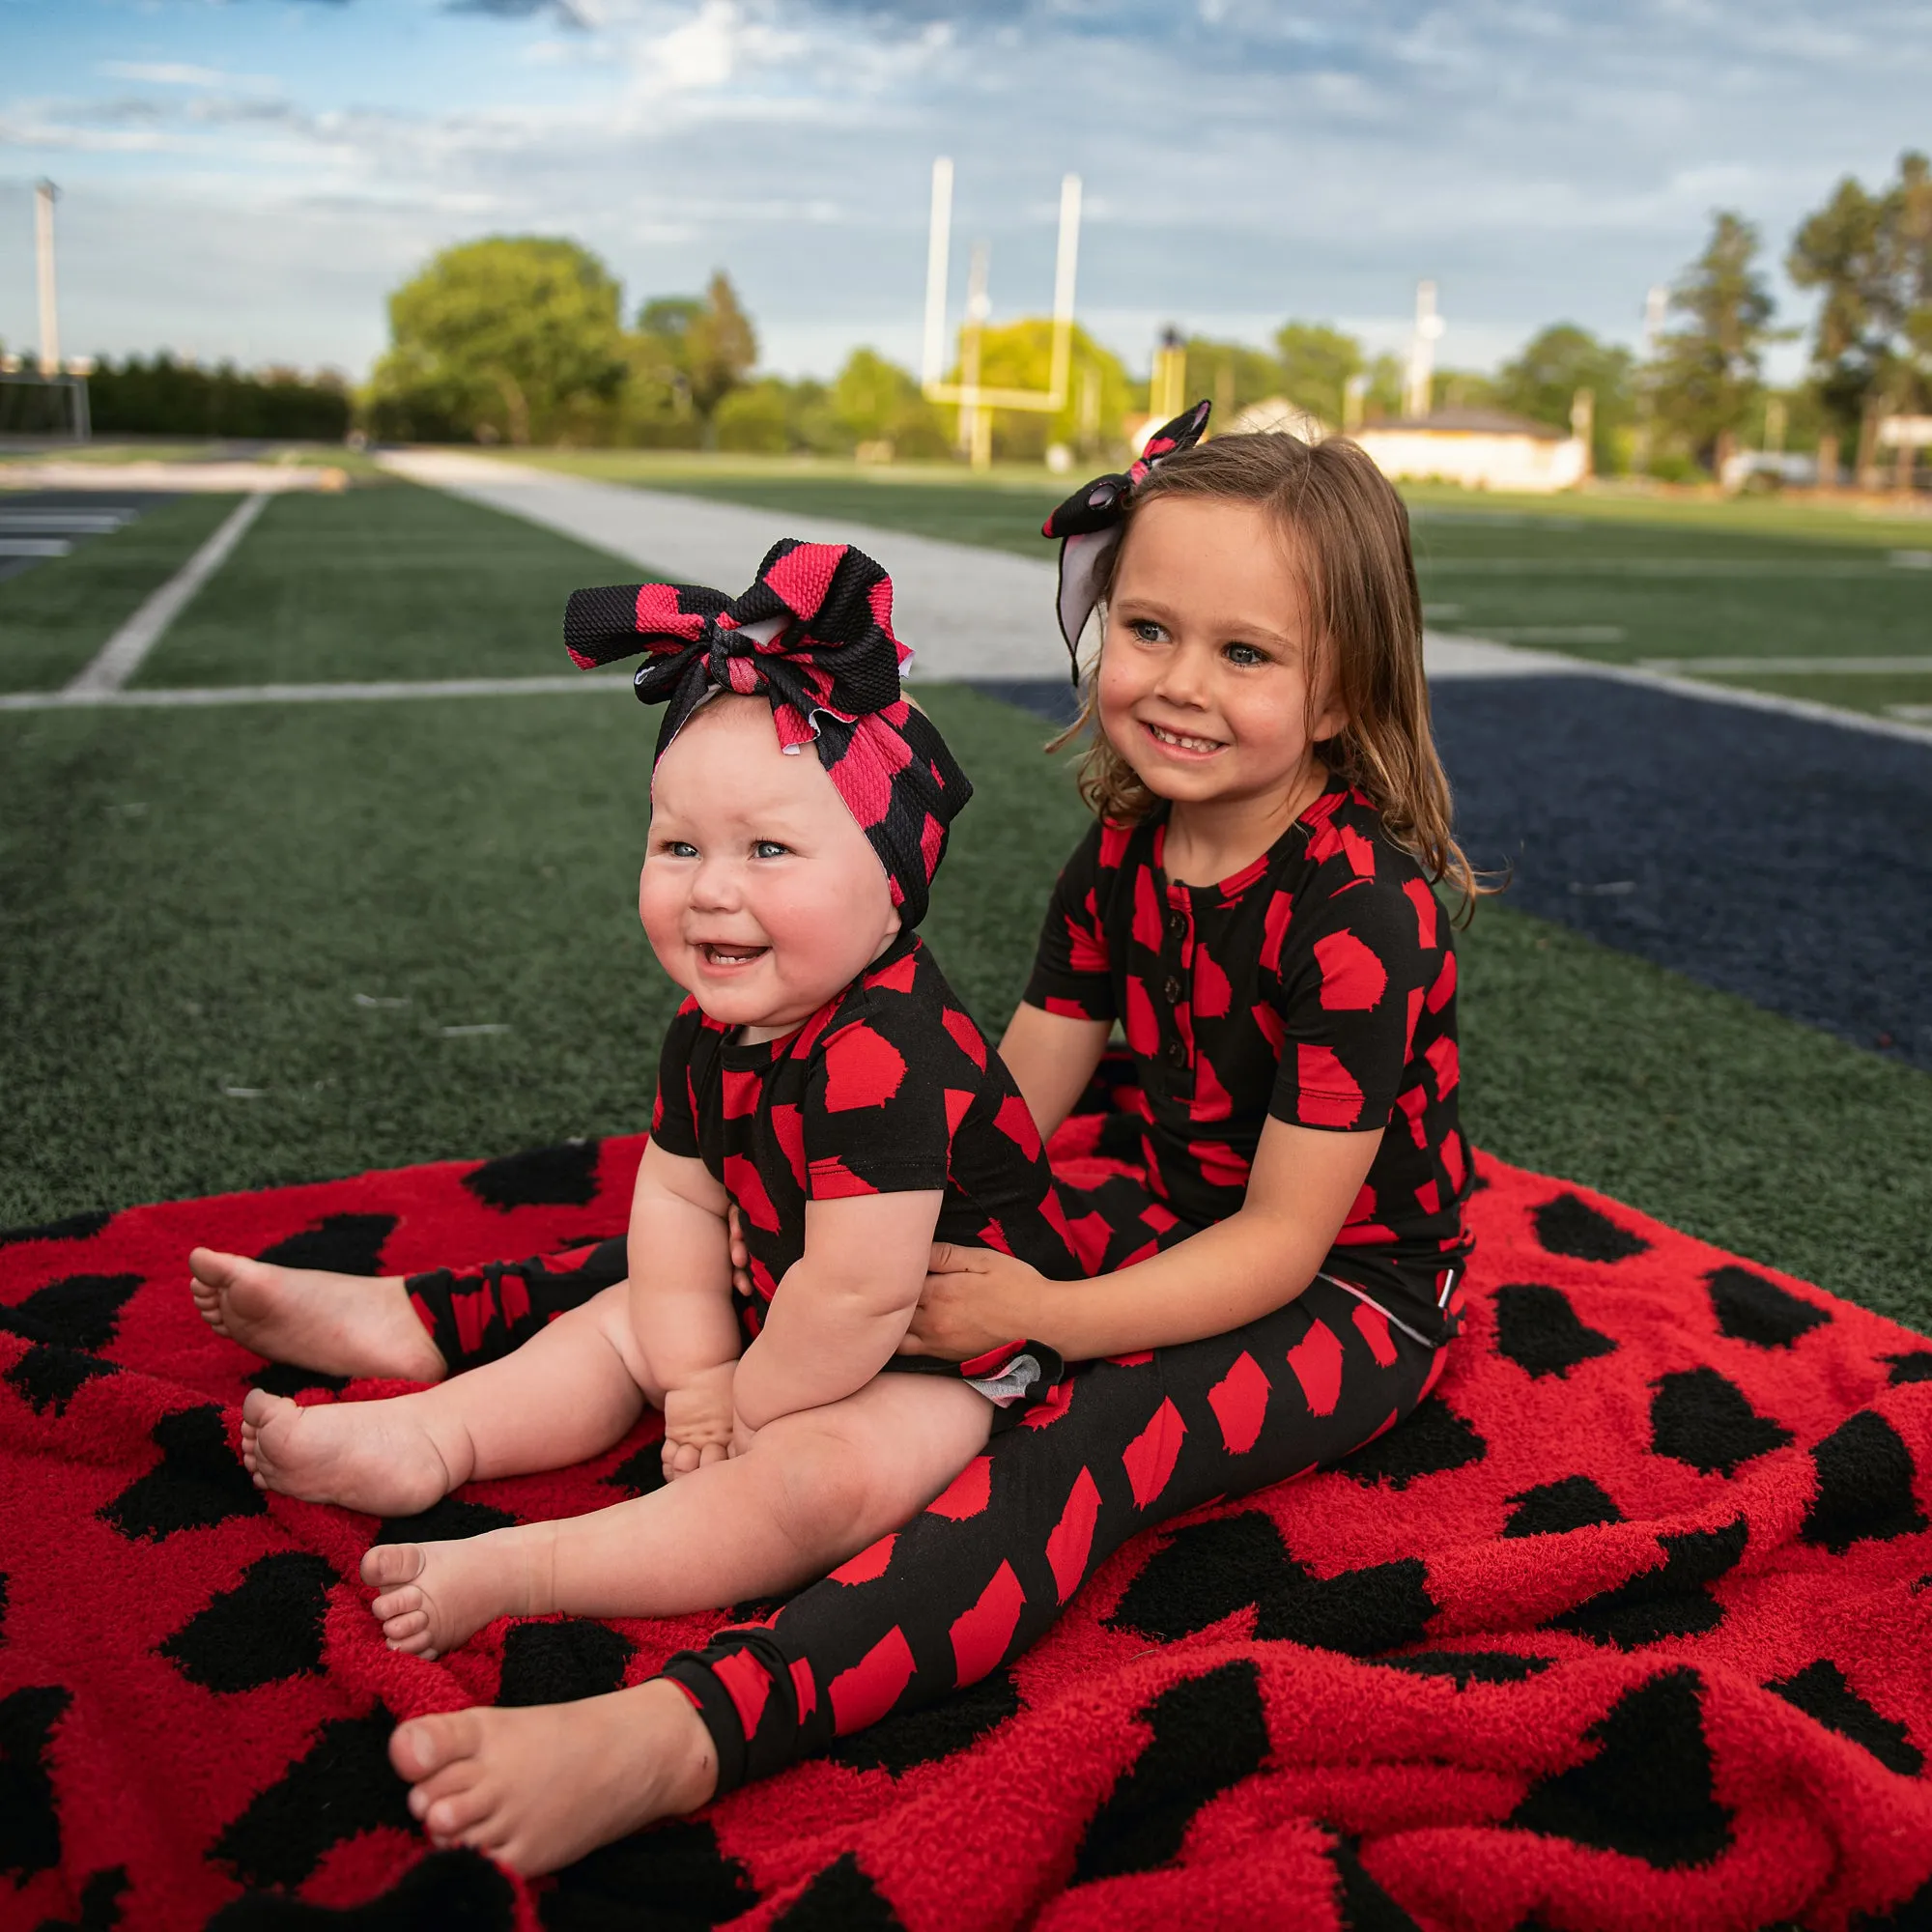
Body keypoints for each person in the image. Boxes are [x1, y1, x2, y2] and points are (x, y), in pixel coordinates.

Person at [190, 409, 1482, 1876]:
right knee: (778, 1216)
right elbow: (1000, 1108)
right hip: (1167, 1211)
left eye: (1245, 653)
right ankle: (424, 1328)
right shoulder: (1124, 845)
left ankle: (680, 1733)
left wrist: (1045, 1311)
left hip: (1350, 1290)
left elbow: (1284, 1240)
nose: (1179, 684)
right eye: (1150, 628)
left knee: (1078, 1452)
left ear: (1339, 693)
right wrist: (839, 1166)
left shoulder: (1361, 906)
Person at [228, 537, 1083, 1671]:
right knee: (624, 1317)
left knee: (816, 1481)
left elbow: (860, 1294)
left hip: (950, 1349)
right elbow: (679, 1200)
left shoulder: (887, 1046)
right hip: (788, 1302)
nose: (711, 888)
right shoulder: (711, 1025)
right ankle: (425, 1433)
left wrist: (744, 1402)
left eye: (768, 848)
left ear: (890, 892)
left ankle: (530, 1568)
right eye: (678, 844)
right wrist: (691, 1368)